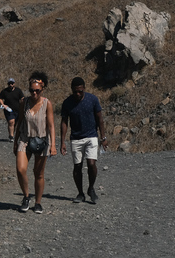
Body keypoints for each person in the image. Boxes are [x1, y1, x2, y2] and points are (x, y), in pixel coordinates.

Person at [60, 77, 108, 205]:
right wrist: (62, 142)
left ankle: (91, 188)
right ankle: (80, 193)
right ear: (72, 90)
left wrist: (103, 138)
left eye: (80, 91)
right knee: (77, 166)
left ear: (84, 89)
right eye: (75, 91)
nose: (78, 94)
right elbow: (64, 122)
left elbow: (100, 119)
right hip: (76, 138)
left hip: (91, 136)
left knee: (92, 164)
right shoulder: (67, 103)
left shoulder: (92, 99)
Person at [14, 71, 56, 214]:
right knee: (20, 169)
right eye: (31, 90)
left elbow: (51, 126)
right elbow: (19, 121)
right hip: (25, 139)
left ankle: (38, 202)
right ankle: (26, 197)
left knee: (38, 173)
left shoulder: (47, 103)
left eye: (37, 91)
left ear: (42, 89)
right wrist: (15, 141)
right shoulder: (24, 102)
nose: (34, 93)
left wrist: (54, 145)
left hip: (41, 141)